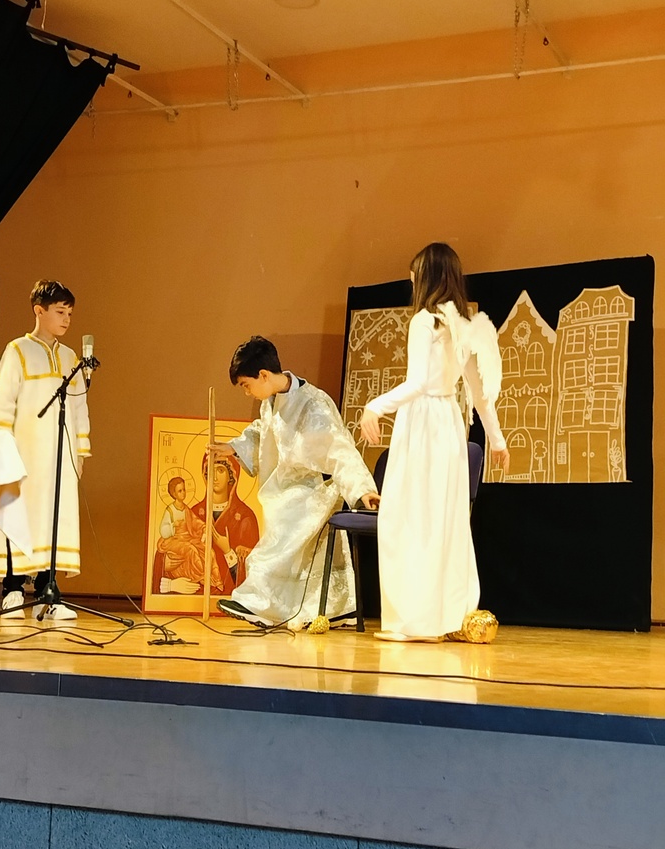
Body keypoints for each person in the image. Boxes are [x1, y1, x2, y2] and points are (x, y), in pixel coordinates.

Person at [359, 242, 509, 642]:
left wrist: (374, 406)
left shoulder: (424, 321)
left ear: (426, 276)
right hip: (448, 423)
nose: (411, 281)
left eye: (414, 274)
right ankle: (445, 617)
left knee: (408, 518)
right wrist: (496, 439)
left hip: (423, 421)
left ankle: (415, 622)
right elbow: (479, 393)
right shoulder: (463, 325)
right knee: (443, 520)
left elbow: (417, 383)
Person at [211, 336, 380, 629]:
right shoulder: (271, 402)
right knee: (284, 520)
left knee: (281, 532)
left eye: (246, 385)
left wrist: (363, 489)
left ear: (263, 375)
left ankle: (256, 602)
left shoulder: (313, 405)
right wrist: (235, 447)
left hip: (314, 490)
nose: (247, 392)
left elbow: (338, 448)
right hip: (284, 489)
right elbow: (262, 432)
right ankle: (321, 609)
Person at [0, 279, 90, 620]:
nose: (66, 319)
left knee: (53, 518)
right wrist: (0, 448)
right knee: (18, 515)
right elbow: (4, 402)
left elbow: (79, 408)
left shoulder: (70, 357)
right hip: (24, 452)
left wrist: (80, 450)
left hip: (58, 455)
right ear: (39, 311)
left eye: (70, 313)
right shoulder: (18, 350)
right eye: (60, 312)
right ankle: (13, 590)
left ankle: (48, 592)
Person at [190, 452, 260, 593]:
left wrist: (228, 551)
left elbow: (254, 575)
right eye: (211, 470)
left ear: (231, 475)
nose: (214, 477)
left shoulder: (246, 517)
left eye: (220, 471)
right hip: (196, 596)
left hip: (231, 597)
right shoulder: (194, 513)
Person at [156, 475, 222, 593]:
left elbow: (196, 522)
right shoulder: (170, 510)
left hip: (187, 538)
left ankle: (216, 580)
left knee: (209, 551)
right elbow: (163, 529)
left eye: (184, 489)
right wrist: (172, 525)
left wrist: (204, 528)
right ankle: (202, 577)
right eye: (180, 491)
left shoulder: (186, 509)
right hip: (174, 540)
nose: (183, 493)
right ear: (174, 494)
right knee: (191, 550)